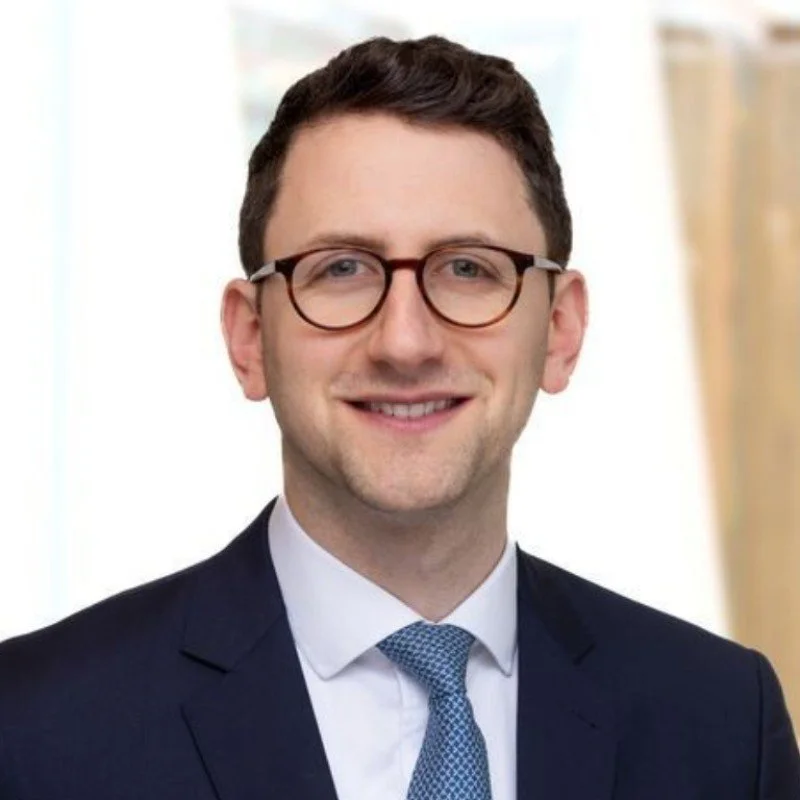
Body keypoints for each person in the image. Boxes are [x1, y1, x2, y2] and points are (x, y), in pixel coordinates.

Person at [0, 34, 798, 800]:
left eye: (468, 268)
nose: (405, 341)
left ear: (560, 331)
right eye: (341, 268)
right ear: (249, 338)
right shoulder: (33, 727)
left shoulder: (722, 723)